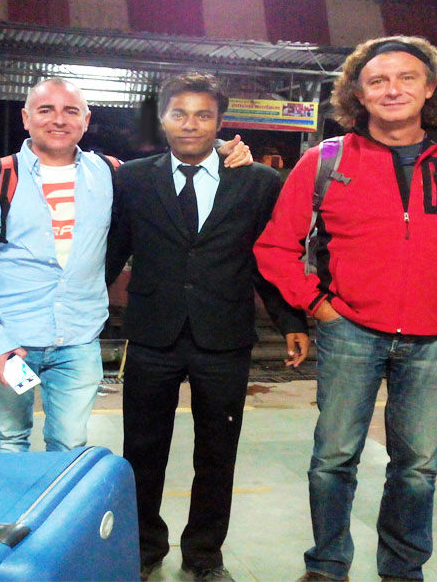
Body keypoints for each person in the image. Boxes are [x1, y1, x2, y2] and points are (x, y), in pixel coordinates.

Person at [253, 35, 437, 581]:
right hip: (350, 332)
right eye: (377, 80)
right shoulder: (327, 160)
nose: (393, 90)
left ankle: (402, 570)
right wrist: (319, 306)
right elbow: (274, 247)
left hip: (431, 338)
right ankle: (327, 565)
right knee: (334, 458)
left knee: (417, 468)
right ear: (358, 94)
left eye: (407, 78)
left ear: (430, 88)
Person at [0, 78, 252, 455]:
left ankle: (57, 499)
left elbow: (171, 164)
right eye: (46, 110)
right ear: (25, 118)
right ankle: (13, 499)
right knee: (9, 438)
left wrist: (219, 147)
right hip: (12, 338)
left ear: (86, 120)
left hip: (79, 340)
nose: (59, 120)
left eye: (70, 111)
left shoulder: (112, 172)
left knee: (69, 443)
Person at [106, 72, 309, 582]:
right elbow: (112, 251)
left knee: (217, 452)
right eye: (179, 113)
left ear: (220, 123)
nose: (190, 124)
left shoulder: (257, 182)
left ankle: (204, 554)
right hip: (152, 333)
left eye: (203, 115)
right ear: (162, 119)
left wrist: (290, 320)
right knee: (142, 450)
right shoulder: (132, 179)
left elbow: (268, 259)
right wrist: (79, 316)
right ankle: (144, 547)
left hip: (223, 335)